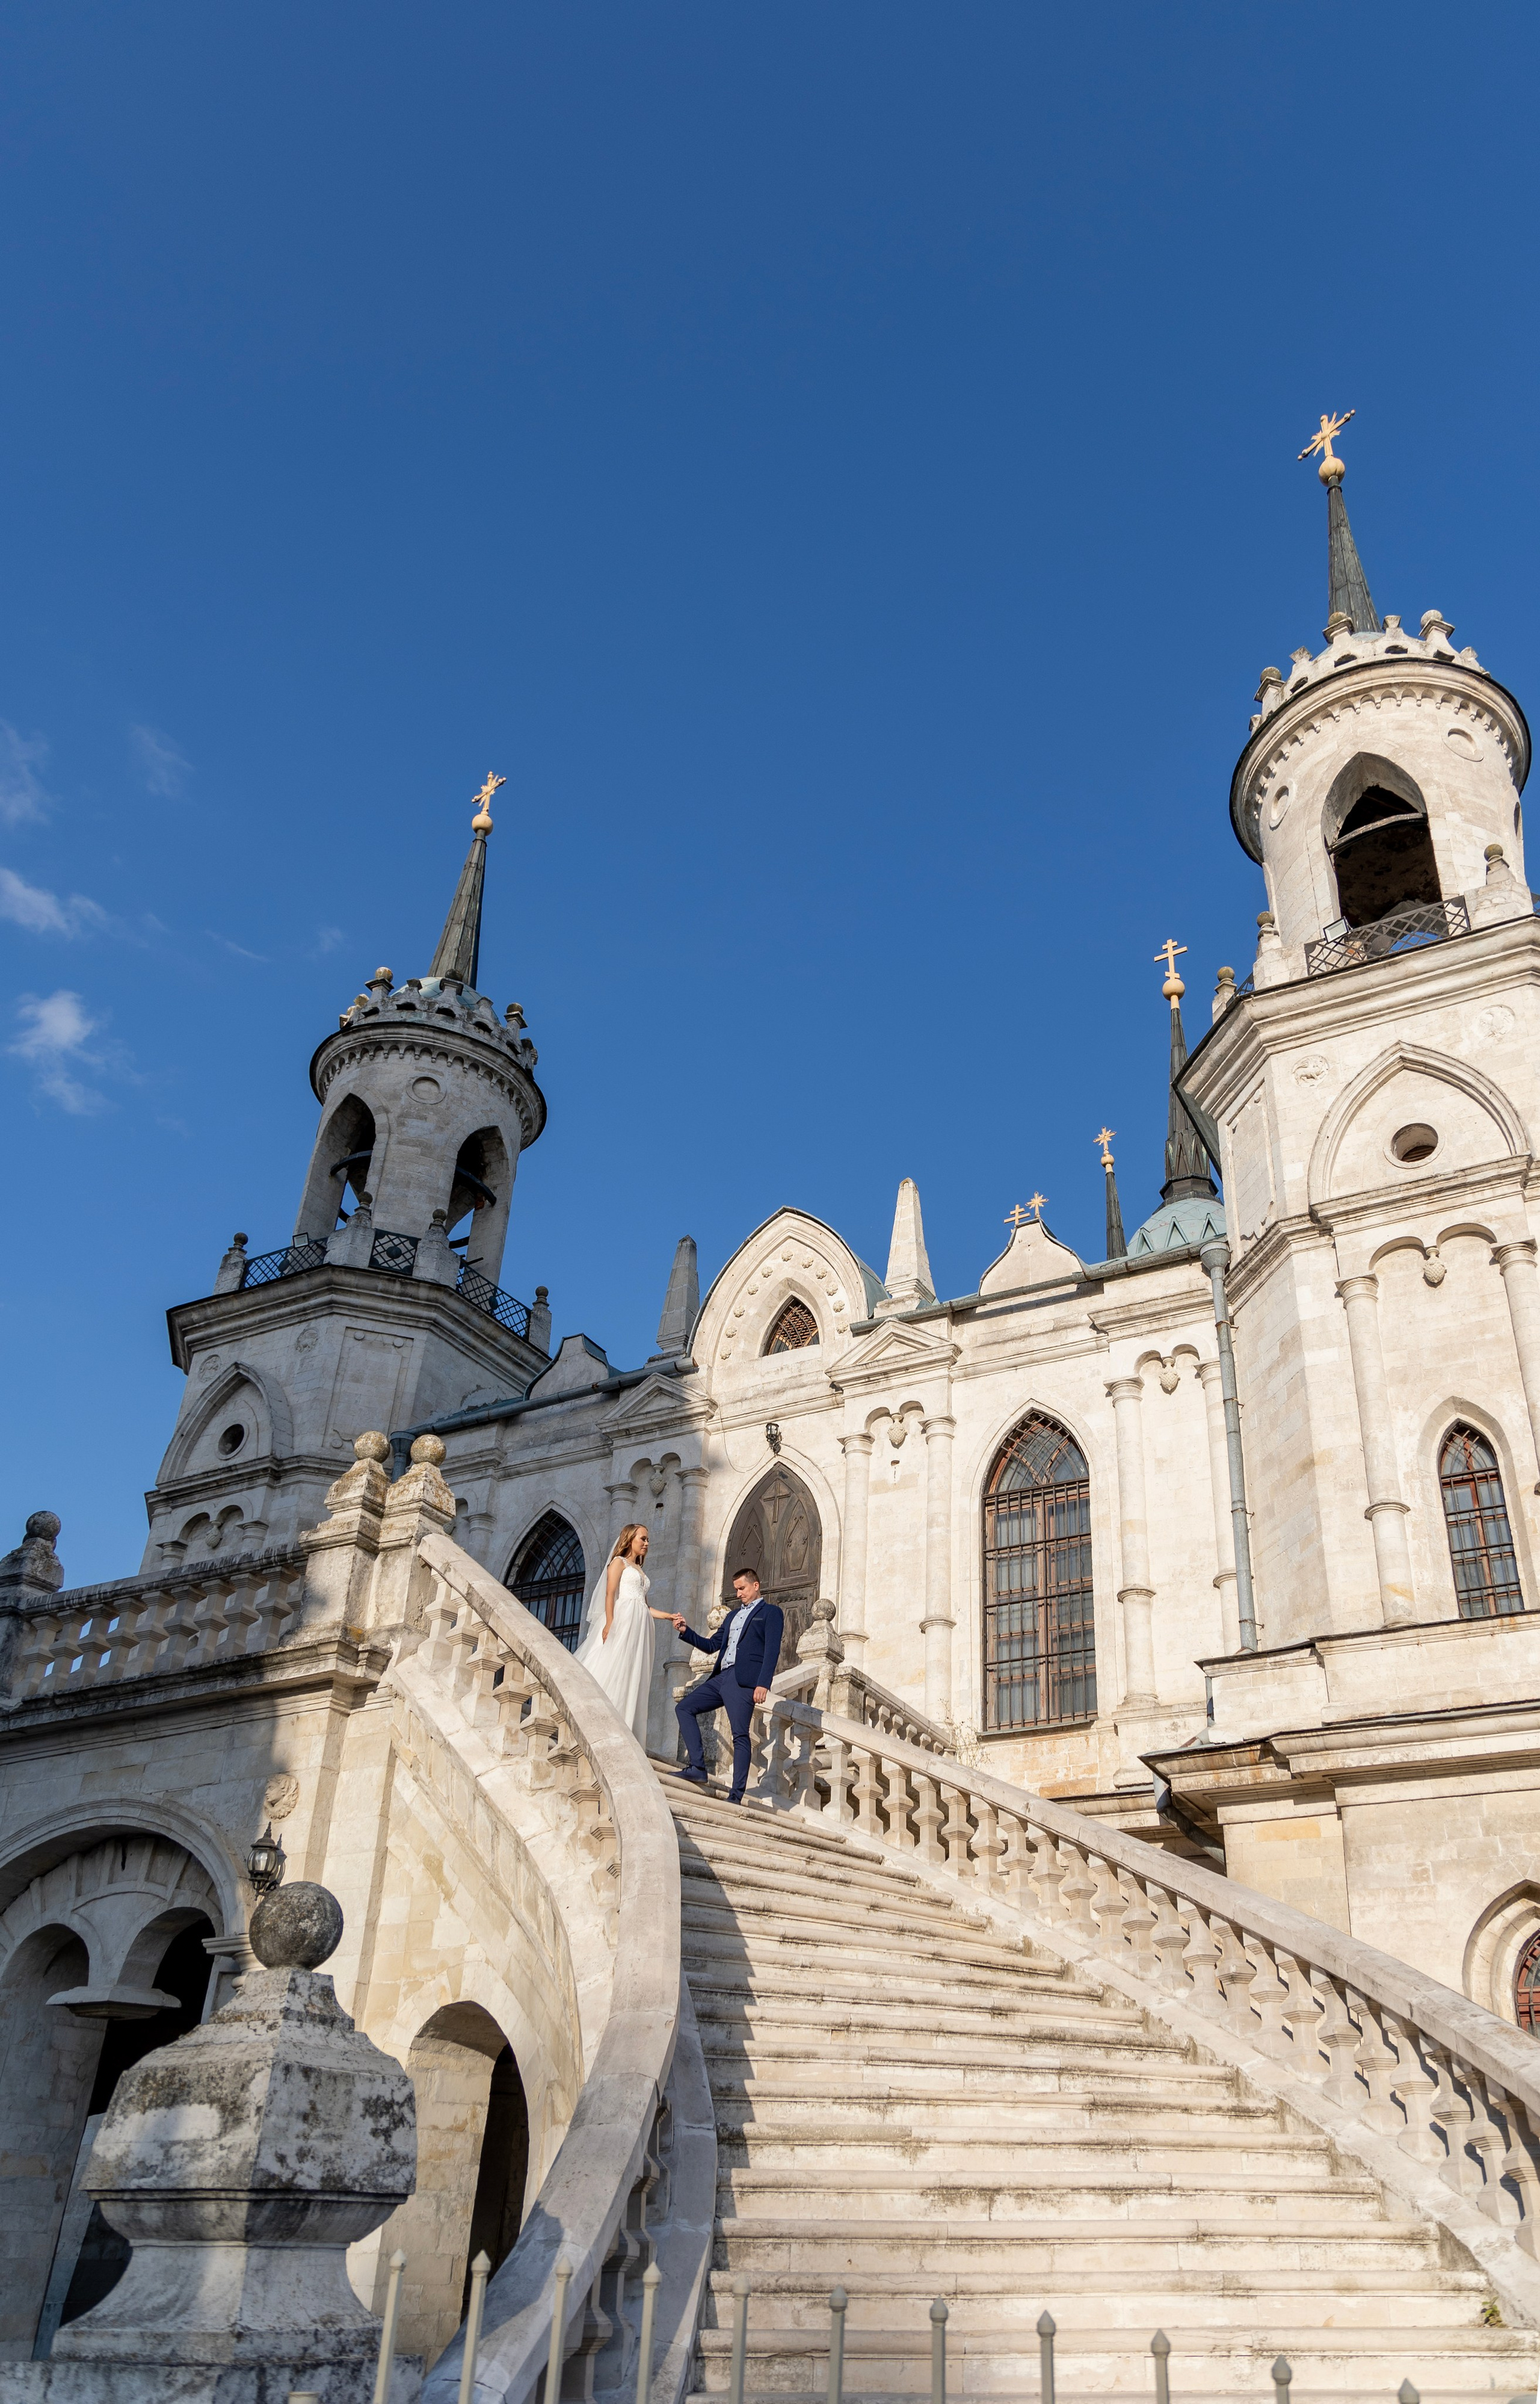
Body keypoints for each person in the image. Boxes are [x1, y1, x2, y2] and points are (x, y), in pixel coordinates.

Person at [673, 1568, 784, 1805]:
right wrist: (686, 1632)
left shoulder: (771, 1613)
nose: (738, 1593)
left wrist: (763, 1684)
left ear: (756, 1585)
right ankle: (698, 1768)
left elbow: (772, 1650)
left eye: (742, 1588)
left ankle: (736, 1794)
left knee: (740, 1735)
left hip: (743, 1681)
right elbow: (711, 1645)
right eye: (736, 1589)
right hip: (721, 1677)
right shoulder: (732, 1616)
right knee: (684, 1708)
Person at [571, 1524, 679, 1746]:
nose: (647, 1543)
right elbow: (609, 1594)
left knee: (633, 1670)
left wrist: (668, 1616)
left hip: (641, 1623)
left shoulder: (639, 1569)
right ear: (630, 1539)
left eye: (648, 1540)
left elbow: (645, 1606)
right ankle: (600, 1721)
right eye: (643, 1539)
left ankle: (625, 1725)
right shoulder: (618, 1563)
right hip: (624, 1619)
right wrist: (610, 1623)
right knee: (615, 1665)